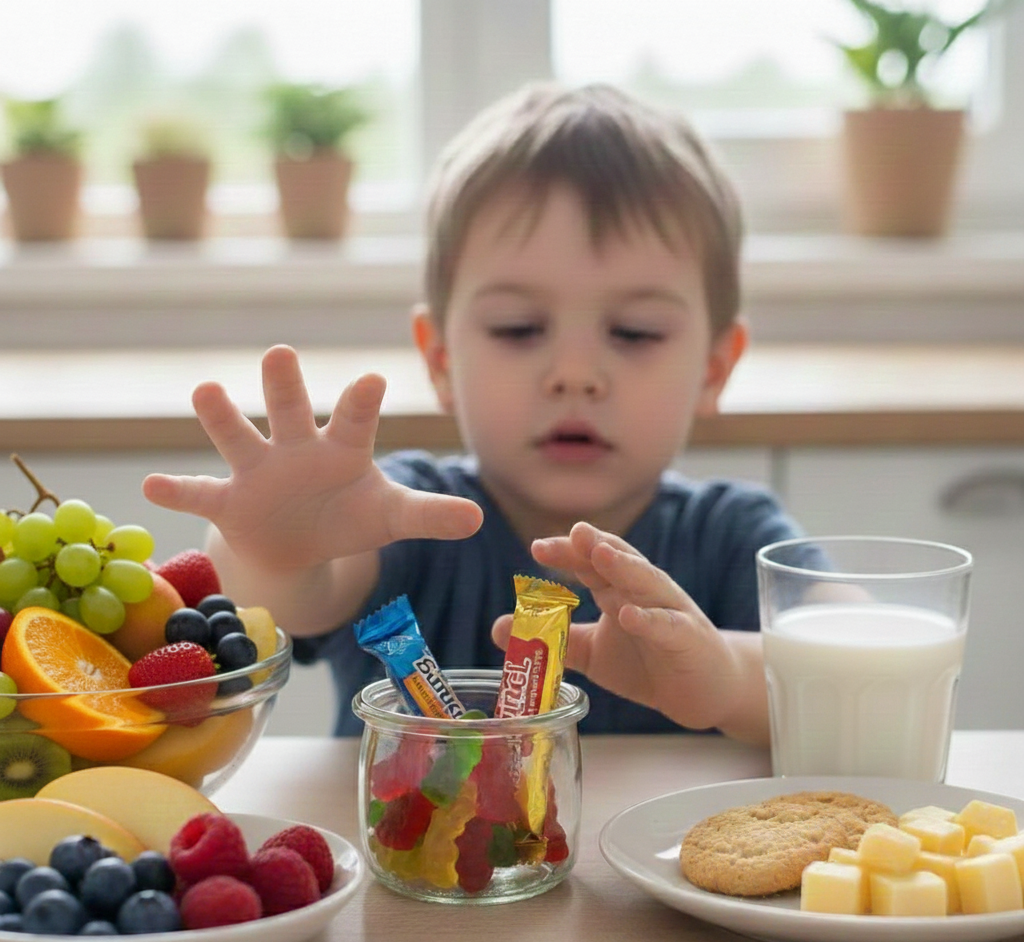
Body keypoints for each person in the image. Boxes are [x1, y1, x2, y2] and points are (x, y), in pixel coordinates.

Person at [143, 82, 808, 743]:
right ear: (440, 361)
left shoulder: (733, 538)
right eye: (518, 328)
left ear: (715, 367)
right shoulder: (401, 517)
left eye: (634, 332)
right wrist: (273, 547)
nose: (573, 375)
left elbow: (879, 671)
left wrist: (725, 674)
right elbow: (281, 599)